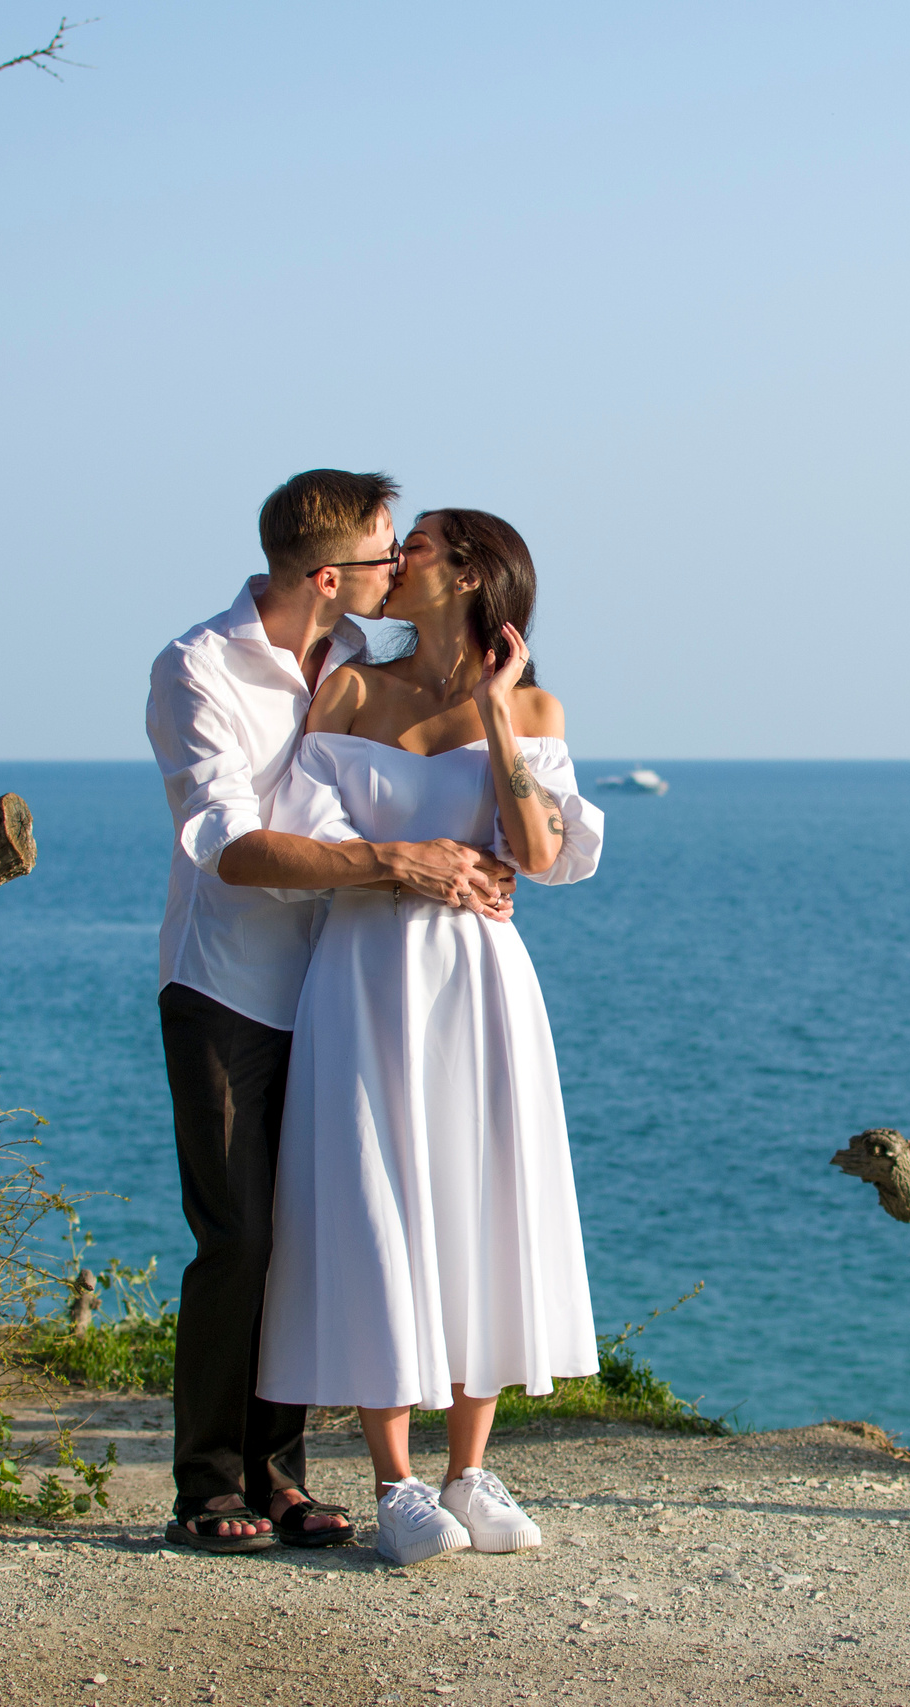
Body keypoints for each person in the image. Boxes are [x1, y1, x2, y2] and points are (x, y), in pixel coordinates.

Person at [145, 471, 517, 1552]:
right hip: (227, 986)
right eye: (380, 554)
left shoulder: (357, 661)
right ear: (326, 574)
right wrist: (392, 861)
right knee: (241, 1237)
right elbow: (228, 846)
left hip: (348, 993)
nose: (395, 567)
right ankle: (209, 1484)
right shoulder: (199, 668)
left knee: (312, 1236)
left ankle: (281, 1478)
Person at [257, 508, 604, 1566]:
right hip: (364, 974)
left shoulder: (531, 702)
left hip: (481, 980)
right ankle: (396, 1483)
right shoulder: (350, 690)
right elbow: (306, 838)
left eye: (417, 547)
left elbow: (540, 855)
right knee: (376, 1200)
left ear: (468, 575)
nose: (393, 558)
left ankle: (470, 1468)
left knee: (479, 1197)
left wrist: (498, 716)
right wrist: (407, 857)